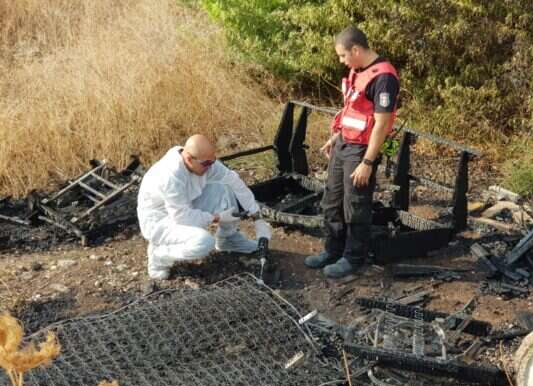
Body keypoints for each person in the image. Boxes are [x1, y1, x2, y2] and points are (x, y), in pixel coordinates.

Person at [305, 26, 399, 278]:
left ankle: (353, 257)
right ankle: (332, 250)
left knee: (355, 204)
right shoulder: (357, 70)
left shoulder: (384, 78)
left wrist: (367, 162)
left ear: (356, 50)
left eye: (343, 55)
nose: (341, 61)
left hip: (361, 151)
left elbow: (381, 124)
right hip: (343, 143)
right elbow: (353, 111)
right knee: (332, 199)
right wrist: (336, 137)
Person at [137, 134, 272, 280]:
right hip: (160, 220)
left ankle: (228, 239)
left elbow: (234, 181)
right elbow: (182, 217)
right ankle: (160, 256)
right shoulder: (171, 176)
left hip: (184, 205)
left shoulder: (204, 162)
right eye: (207, 163)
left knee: (225, 188)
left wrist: (257, 217)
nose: (211, 166)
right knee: (204, 242)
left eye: (213, 161)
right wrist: (216, 217)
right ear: (189, 159)